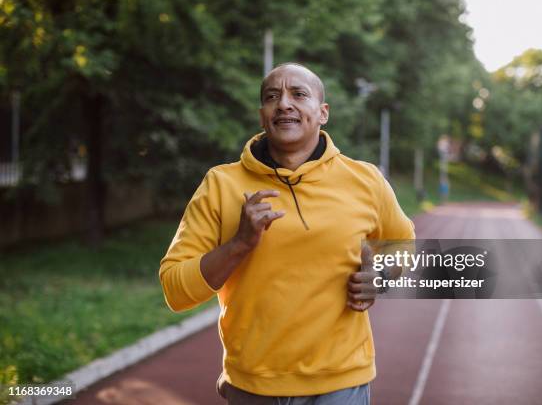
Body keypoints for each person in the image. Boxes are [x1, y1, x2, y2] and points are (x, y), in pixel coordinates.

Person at [159, 62, 415, 404]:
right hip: (253, 386)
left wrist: (380, 276)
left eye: (299, 94)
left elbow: (405, 247)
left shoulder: (365, 180)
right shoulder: (221, 184)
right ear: (263, 115)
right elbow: (175, 289)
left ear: (322, 112)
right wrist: (239, 244)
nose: (284, 103)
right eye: (272, 96)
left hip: (341, 382)